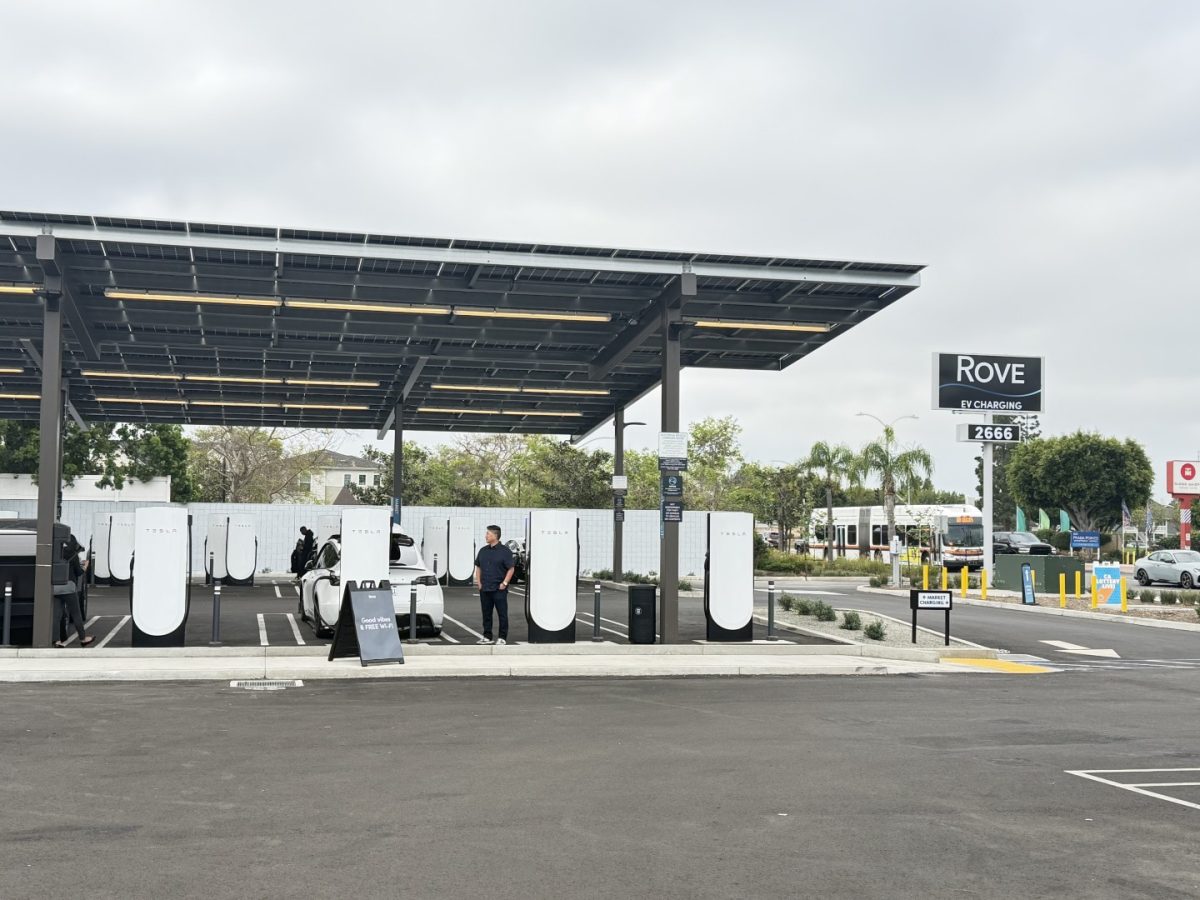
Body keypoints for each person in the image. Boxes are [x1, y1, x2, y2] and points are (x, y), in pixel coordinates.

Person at [473, 525, 515, 645]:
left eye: (488, 534)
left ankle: (502, 637)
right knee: (486, 613)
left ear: (495, 535)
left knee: (502, 614)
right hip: (485, 588)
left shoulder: (505, 551)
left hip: (499, 588)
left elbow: (511, 569)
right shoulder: (483, 550)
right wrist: (479, 583)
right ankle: (487, 636)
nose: (485, 536)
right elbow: (478, 567)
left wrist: (505, 583)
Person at [53, 533, 93, 648]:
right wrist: (85, 566)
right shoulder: (73, 555)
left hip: (55, 587)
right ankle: (83, 638)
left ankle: (57, 641)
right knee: (76, 614)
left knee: (56, 615)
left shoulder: (55, 554)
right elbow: (78, 572)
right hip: (69, 588)